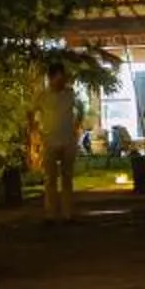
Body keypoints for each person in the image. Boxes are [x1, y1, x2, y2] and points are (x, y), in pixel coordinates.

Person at [40, 60, 79, 223]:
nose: (62, 81)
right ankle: (50, 214)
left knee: (67, 178)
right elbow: (31, 111)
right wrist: (38, 131)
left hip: (68, 141)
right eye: (59, 78)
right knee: (50, 179)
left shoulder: (70, 93)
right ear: (51, 78)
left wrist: (76, 127)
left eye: (63, 78)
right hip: (49, 140)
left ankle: (67, 213)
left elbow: (79, 110)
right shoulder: (42, 95)